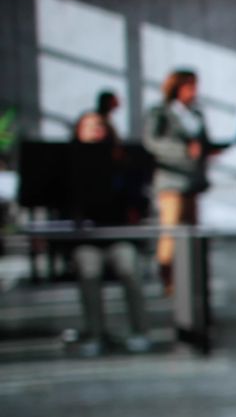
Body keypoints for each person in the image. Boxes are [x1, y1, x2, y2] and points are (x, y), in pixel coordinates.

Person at [62, 110, 152, 356]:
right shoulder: (69, 163)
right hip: (86, 238)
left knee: (129, 267)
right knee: (89, 270)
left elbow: (137, 199)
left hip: (117, 234)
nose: (95, 130)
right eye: (89, 126)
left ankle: (140, 330)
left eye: (99, 125)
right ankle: (95, 333)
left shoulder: (121, 159)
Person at [143, 68, 213, 295]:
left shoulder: (196, 113)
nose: (194, 92)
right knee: (170, 233)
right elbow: (152, 142)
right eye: (190, 86)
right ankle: (168, 280)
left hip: (193, 181)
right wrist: (183, 151)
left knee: (193, 234)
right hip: (171, 180)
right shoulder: (160, 112)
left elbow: (204, 143)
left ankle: (194, 278)